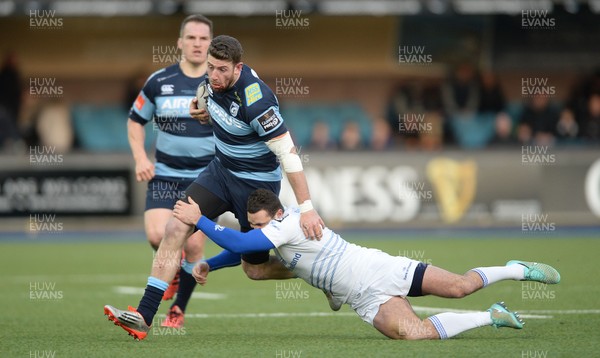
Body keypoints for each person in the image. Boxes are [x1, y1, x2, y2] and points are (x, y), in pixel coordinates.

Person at [105, 35, 324, 339]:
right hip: (219, 174)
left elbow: (289, 155)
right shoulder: (210, 84)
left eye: (222, 69)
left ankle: (319, 271)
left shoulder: (257, 101)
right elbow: (216, 110)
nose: (215, 75)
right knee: (175, 227)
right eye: (211, 67)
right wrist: (204, 114)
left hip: (257, 185)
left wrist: (307, 209)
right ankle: (144, 315)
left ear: (239, 68)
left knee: (254, 269)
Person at [163, 189, 559, 340]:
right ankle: (493, 316)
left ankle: (516, 269)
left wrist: (199, 218)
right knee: (412, 334)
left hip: (377, 269)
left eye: (264, 223)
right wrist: (212, 266)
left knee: (459, 286)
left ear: (278, 214)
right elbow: (244, 249)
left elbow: (241, 240)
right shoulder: (270, 232)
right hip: (362, 297)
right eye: (257, 225)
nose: (260, 230)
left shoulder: (287, 223)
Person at [126, 14, 215, 326]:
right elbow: (136, 120)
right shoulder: (159, 81)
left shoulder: (222, 82)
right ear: (180, 43)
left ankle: (179, 308)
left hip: (207, 177)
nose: (197, 44)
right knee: (156, 234)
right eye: (191, 38)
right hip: (165, 172)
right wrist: (140, 157)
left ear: (211, 43)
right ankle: (172, 273)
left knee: (192, 244)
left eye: (204, 39)